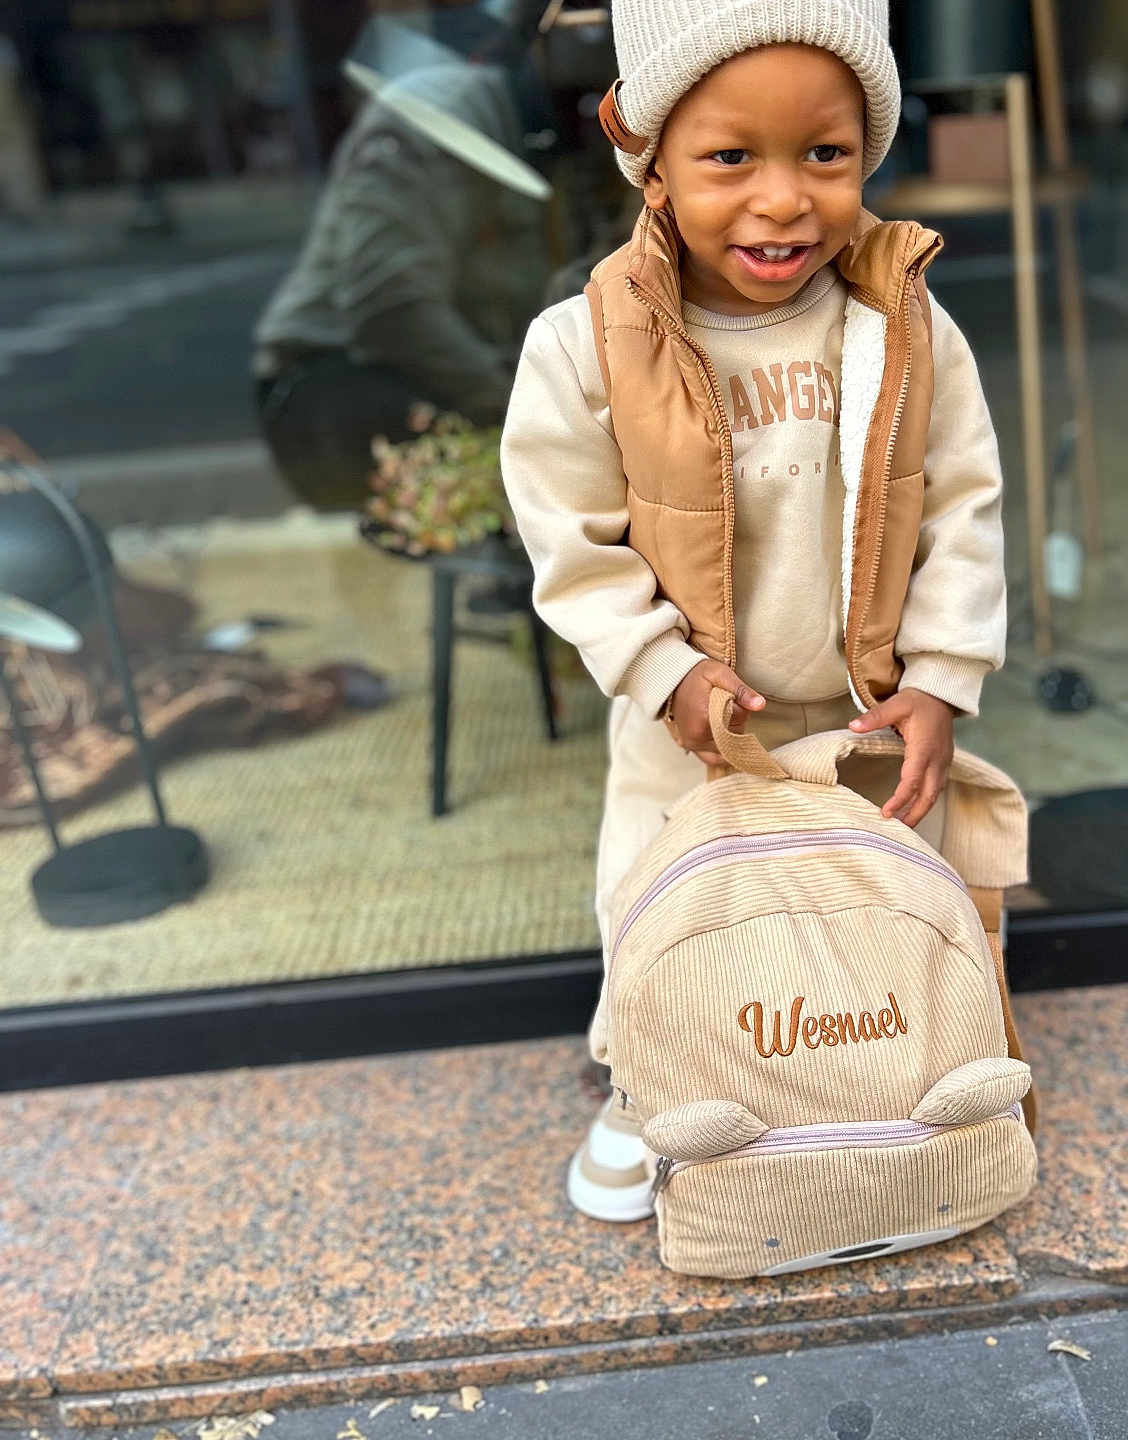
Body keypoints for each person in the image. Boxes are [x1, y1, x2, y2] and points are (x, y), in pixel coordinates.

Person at [500, 0, 1007, 1222]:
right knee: (655, 907)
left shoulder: (903, 324)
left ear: (869, 153)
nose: (783, 199)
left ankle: (879, 1089)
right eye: (732, 157)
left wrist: (940, 677)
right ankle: (648, 1087)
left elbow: (965, 506)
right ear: (654, 162)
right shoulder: (584, 346)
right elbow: (570, 541)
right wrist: (660, 666)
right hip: (688, 725)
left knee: (884, 908)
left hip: (863, 720)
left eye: (824, 155)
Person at [253, 50, 550, 510]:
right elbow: (390, 305)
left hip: (451, 378)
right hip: (336, 385)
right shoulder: (437, 119)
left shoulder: (553, 135)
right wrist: (523, 411)